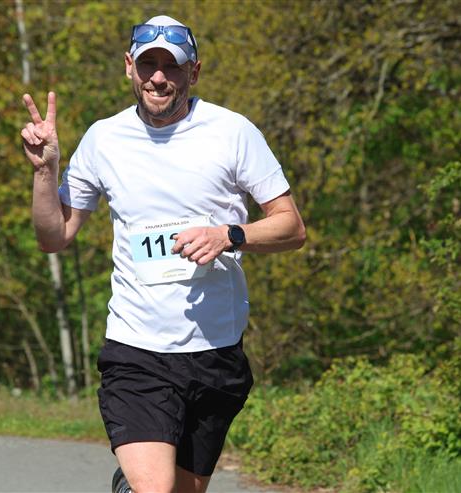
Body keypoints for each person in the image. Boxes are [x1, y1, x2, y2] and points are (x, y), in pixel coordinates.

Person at [20, 13, 305, 493]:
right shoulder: (104, 139)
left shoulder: (232, 132)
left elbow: (291, 227)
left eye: (172, 66)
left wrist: (229, 235)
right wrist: (45, 172)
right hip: (136, 348)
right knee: (155, 489)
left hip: (215, 350)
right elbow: (54, 236)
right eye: (148, 65)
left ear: (194, 72)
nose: (158, 77)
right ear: (128, 67)